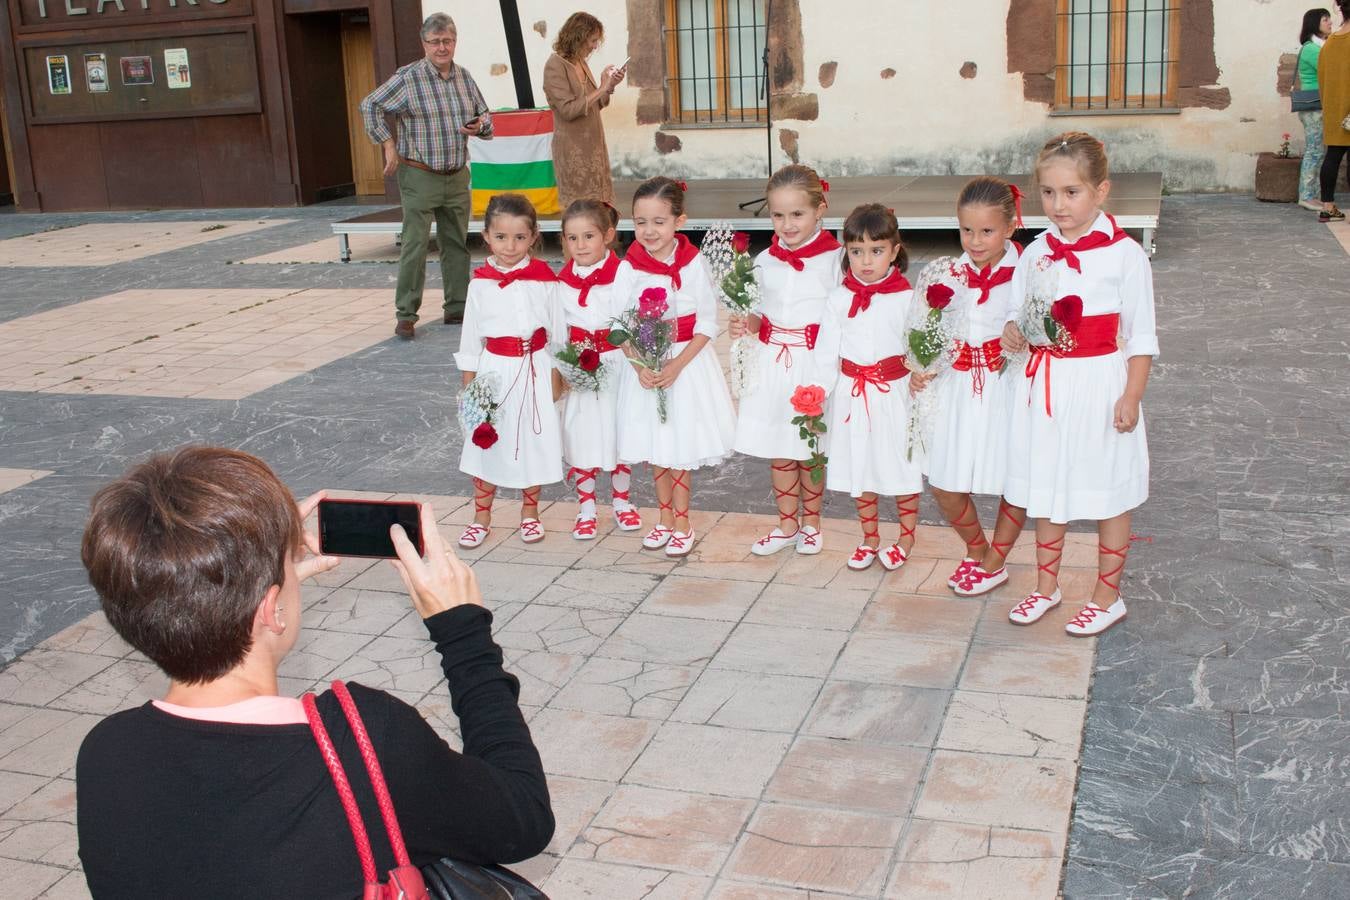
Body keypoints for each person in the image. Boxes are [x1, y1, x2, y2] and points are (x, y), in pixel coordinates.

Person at [75, 446, 554, 897]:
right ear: (270, 609)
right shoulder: (364, 740)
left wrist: (260, 586)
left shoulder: (106, 753)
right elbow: (524, 818)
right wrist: (463, 634)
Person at [1001, 131, 1158, 637]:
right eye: (1048, 192)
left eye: (1072, 192)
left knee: (1107, 489)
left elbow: (1139, 335)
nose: (1058, 204)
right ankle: (1047, 587)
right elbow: (1017, 312)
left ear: (1101, 191)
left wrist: (1131, 396)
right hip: (1045, 387)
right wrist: (1014, 331)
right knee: (1048, 485)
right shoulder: (1034, 253)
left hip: (1098, 385)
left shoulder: (1124, 255)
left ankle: (1107, 596)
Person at [912, 177, 1027, 596]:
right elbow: (927, 328)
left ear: (1011, 227)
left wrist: (1022, 338)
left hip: (1006, 388)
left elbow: (1040, 327)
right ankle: (977, 549)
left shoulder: (1028, 272)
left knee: (1014, 476)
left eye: (987, 231)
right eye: (966, 230)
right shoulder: (946, 273)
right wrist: (921, 365)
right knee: (945, 481)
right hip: (957, 387)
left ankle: (996, 560)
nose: (975, 241)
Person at [615, 176, 736, 557]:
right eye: (640, 222)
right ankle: (664, 519)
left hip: (686, 366)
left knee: (679, 446)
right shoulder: (627, 267)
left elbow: (706, 322)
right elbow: (619, 325)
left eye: (659, 222)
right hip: (646, 366)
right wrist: (640, 367)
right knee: (658, 446)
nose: (649, 231)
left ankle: (683, 522)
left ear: (679, 222)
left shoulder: (694, 263)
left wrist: (678, 365)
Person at [729, 164, 842, 557]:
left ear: (820, 208)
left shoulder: (837, 261)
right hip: (773, 362)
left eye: (798, 214)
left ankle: (812, 525)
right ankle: (786, 524)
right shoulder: (763, 261)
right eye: (778, 215)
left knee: (810, 446)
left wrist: (825, 377)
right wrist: (746, 322)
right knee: (781, 445)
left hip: (813, 362)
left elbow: (839, 320)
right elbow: (761, 314)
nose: (787, 224)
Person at [362, 13, 492, 339]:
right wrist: (387, 144)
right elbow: (370, 105)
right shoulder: (408, 78)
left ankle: (457, 308)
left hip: (456, 174)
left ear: (454, 42)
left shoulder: (464, 78)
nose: (442, 47)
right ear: (424, 44)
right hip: (419, 175)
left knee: (456, 245)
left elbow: (485, 116)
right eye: (435, 42)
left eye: (447, 40)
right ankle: (406, 314)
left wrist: (480, 126)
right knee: (415, 245)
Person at [814, 204, 923, 572]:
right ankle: (869, 537)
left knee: (900, 464)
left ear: (894, 251)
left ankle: (906, 536)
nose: (865, 261)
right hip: (851, 394)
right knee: (861, 463)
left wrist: (923, 374)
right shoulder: (838, 298)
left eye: (876, 251)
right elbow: (826, 351)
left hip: (893, 395)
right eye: (856, 251)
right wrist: (815, 396)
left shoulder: (908, 298)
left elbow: (918, 347)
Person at [455, 193, 565, 549]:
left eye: (520, 237)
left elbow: (558, 334)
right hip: (494, 373)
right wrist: (470, 389)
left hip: (534, 370)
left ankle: (530, 513)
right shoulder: (479, 284)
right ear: (486, 236)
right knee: (487, 440)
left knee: (532, 441)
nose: (510, 245)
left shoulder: (546, 281)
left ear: (533, 236)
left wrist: (556, 379)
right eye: (501, 237)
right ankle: (481, 517)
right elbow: (471, 339)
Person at [556, 199, 643, 539]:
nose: (580, 246)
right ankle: (587, 507)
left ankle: (622, 502)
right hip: (581, 367)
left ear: (607, 236)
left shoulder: (622, 273)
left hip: (615, 361)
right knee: (583, 435)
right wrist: (567, 366)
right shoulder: (561, 281)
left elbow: (627, 320)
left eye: (588, 236)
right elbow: (559, 327)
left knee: (619, 432)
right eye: (572, 238)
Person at [543, 12, 624, 210]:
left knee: (600, 209)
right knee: (580, 212)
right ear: (578, 37)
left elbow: (597, 103)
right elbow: (568, 110)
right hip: (574, 151)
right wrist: (602, 88)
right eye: (593, 40)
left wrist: (610, 85)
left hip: (594, 148)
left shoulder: (580, 61)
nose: (595, 46)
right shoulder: (555, 65)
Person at [1296, 9, 1334, 211]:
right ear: (1314, 23)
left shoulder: (1320, 46)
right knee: (1314, 151)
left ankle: (1313, 194)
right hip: (1313, 107)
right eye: (1325, 19)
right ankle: (1307, 195)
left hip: (1319, 106)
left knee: (1318, 151)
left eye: (1329, 19)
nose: (1330, 22)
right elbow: (1331, 68)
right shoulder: (1312, 49)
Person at [1318, 0, 1350, 221]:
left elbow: (1323, 80)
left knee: (1332, 157)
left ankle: (1327, 207)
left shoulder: (1329, 44)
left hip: (1335, 111)